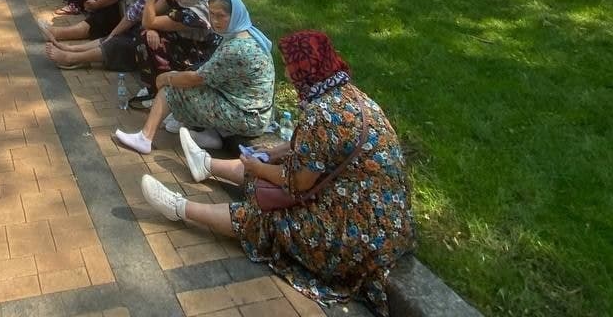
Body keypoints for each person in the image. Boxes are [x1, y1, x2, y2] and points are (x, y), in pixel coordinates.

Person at [142, 31, 414, 316]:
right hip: (384, 219)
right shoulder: (347, 93)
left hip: (358, 235)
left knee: (266, 217)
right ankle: (207, 165)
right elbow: (315, 150)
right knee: (270, 170)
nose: (286, 73)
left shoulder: (321, 113)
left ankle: (180, 208)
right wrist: (271, 155)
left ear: (304, 69)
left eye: (289, 66)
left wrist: (260, 167)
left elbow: (297, 182)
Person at [113, 0, 274, 154]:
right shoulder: (245, 33)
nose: (215, 21)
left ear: (235, 15)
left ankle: (145, 138)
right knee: (187, 79)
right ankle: (209, 135)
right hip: (253, 111)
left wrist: (166, 78)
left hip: (248, 117)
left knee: (170, 89)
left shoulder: (236, 48)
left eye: (221, 16)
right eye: (212, 14)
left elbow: (196, 78)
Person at [136, 0, 220, 99]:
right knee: (146, 34)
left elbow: (147, 21)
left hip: (201, 55)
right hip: (186, 42)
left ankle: (163, 91)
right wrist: (151, 28)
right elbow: (147, 18)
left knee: (146, 38)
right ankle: (158, 86)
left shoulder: (195, 13)